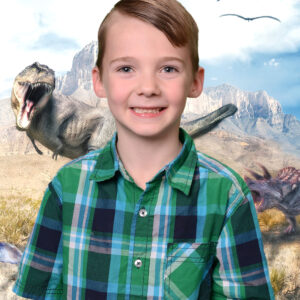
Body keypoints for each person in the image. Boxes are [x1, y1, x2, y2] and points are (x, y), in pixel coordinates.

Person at [13, 0, 274, 298]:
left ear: (195, 82)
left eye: (168, 68)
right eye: (126, 68)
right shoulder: (67, 187)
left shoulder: (226, 194)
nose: (148, 87)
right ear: (98, 81)